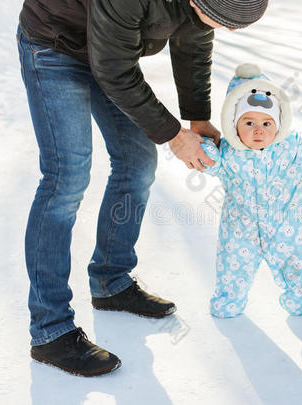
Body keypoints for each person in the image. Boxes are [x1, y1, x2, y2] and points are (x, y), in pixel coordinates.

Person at [17, 0, 269, 376]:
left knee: (137, 162)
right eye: (223, 22)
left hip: (107, 49)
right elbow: (115, 71)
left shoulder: (198, 10)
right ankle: (50, 331)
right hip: (55, 43)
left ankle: (110, 280)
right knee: (65, 179)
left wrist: (196, 119)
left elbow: (194, 39)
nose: (229, 30)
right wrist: (172, 135)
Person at [200, 64, 302, 318]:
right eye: (248, 122)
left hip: (290, 230)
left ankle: (298, 297)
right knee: (232, 268)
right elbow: (214, 165)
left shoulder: (294, 150)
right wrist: (207, 154)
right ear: (233, 125)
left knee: (297, 267)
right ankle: (229, 299)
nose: (258, 130)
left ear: (279, 123)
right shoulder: (229, 153)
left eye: (266, 122)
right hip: (240, 232)